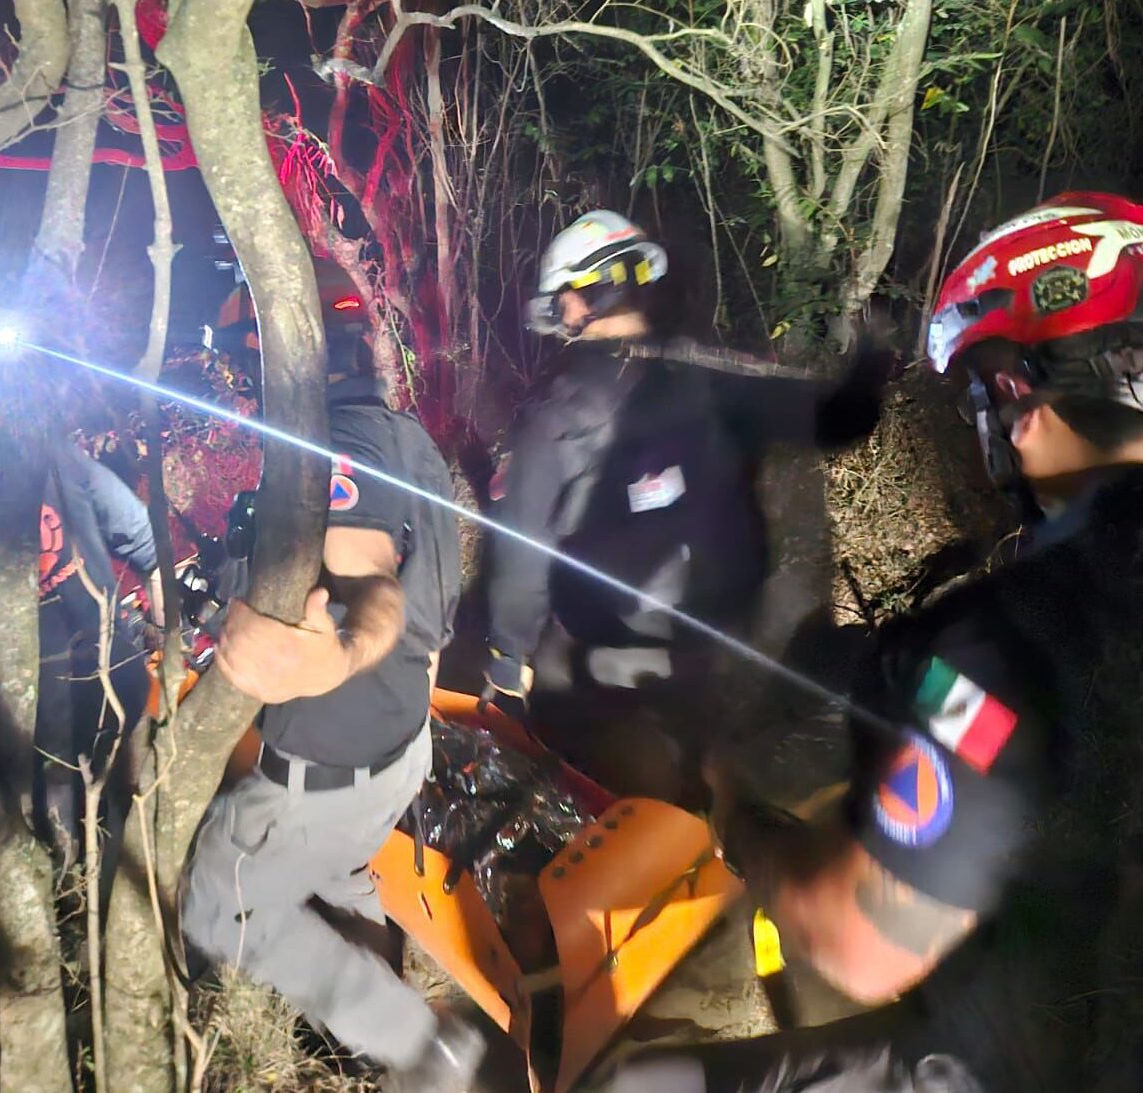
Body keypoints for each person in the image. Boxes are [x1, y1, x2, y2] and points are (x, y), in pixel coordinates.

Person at [601, 192, 1143, 1092]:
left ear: (1019, 392)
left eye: (982, 396)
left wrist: (743, 825)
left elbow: (862, 941)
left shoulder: (1016, 636)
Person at [483, 209, 889, 797]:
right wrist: (873, 355)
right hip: (711, 647)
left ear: (590, 295)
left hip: (596, 663)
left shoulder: (558, 415)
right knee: (701, 784)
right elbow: (839, 419)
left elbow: (523, 551)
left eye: (565, 296)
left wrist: (506, 658)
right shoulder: (713, 380)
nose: (560, 311)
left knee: (595, 799)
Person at [180, 339, 482, 1092]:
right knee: (349, 870)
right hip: (400, 738)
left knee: (217, 902)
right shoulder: (407, 435)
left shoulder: (335, 442)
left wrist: (337, 658)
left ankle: (421, 1047)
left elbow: (371, 577)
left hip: (330, 761)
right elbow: (422, 594)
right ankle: (372, 1005)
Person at [0, 438, 159, 872]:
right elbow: (140, 536)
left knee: (72, 825)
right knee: (118, 813)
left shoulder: (54, 457)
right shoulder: (51, 455)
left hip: (42, 710)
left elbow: (141, 536)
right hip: (86, 689)